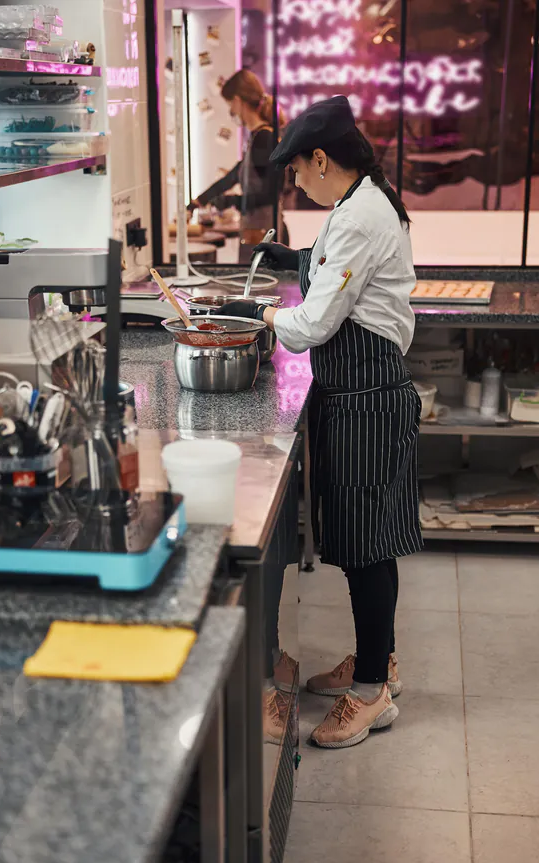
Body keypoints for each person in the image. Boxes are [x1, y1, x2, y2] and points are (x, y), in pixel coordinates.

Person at [212, 96, 423, 749]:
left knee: (366, 550)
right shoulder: (359, 203)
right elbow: (334, 274)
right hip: (355, 395)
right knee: (367, 543)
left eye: (298, 170)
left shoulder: (360, 215)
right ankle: (378, 662)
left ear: (323, 159)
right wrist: (290, 261)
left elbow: (313, 325)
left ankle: (372, 694)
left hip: (367, 400)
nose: (297, 182)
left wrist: (260, 315)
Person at [188, 69, 287, 262]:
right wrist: (200, 201)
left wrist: (234, 201)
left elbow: (271, 193)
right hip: (257, 230)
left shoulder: (264, 139)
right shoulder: (256, 137)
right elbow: (234, 175)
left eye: (229, 104)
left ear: (238, 101)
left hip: (265, 232)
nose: (231, 111)